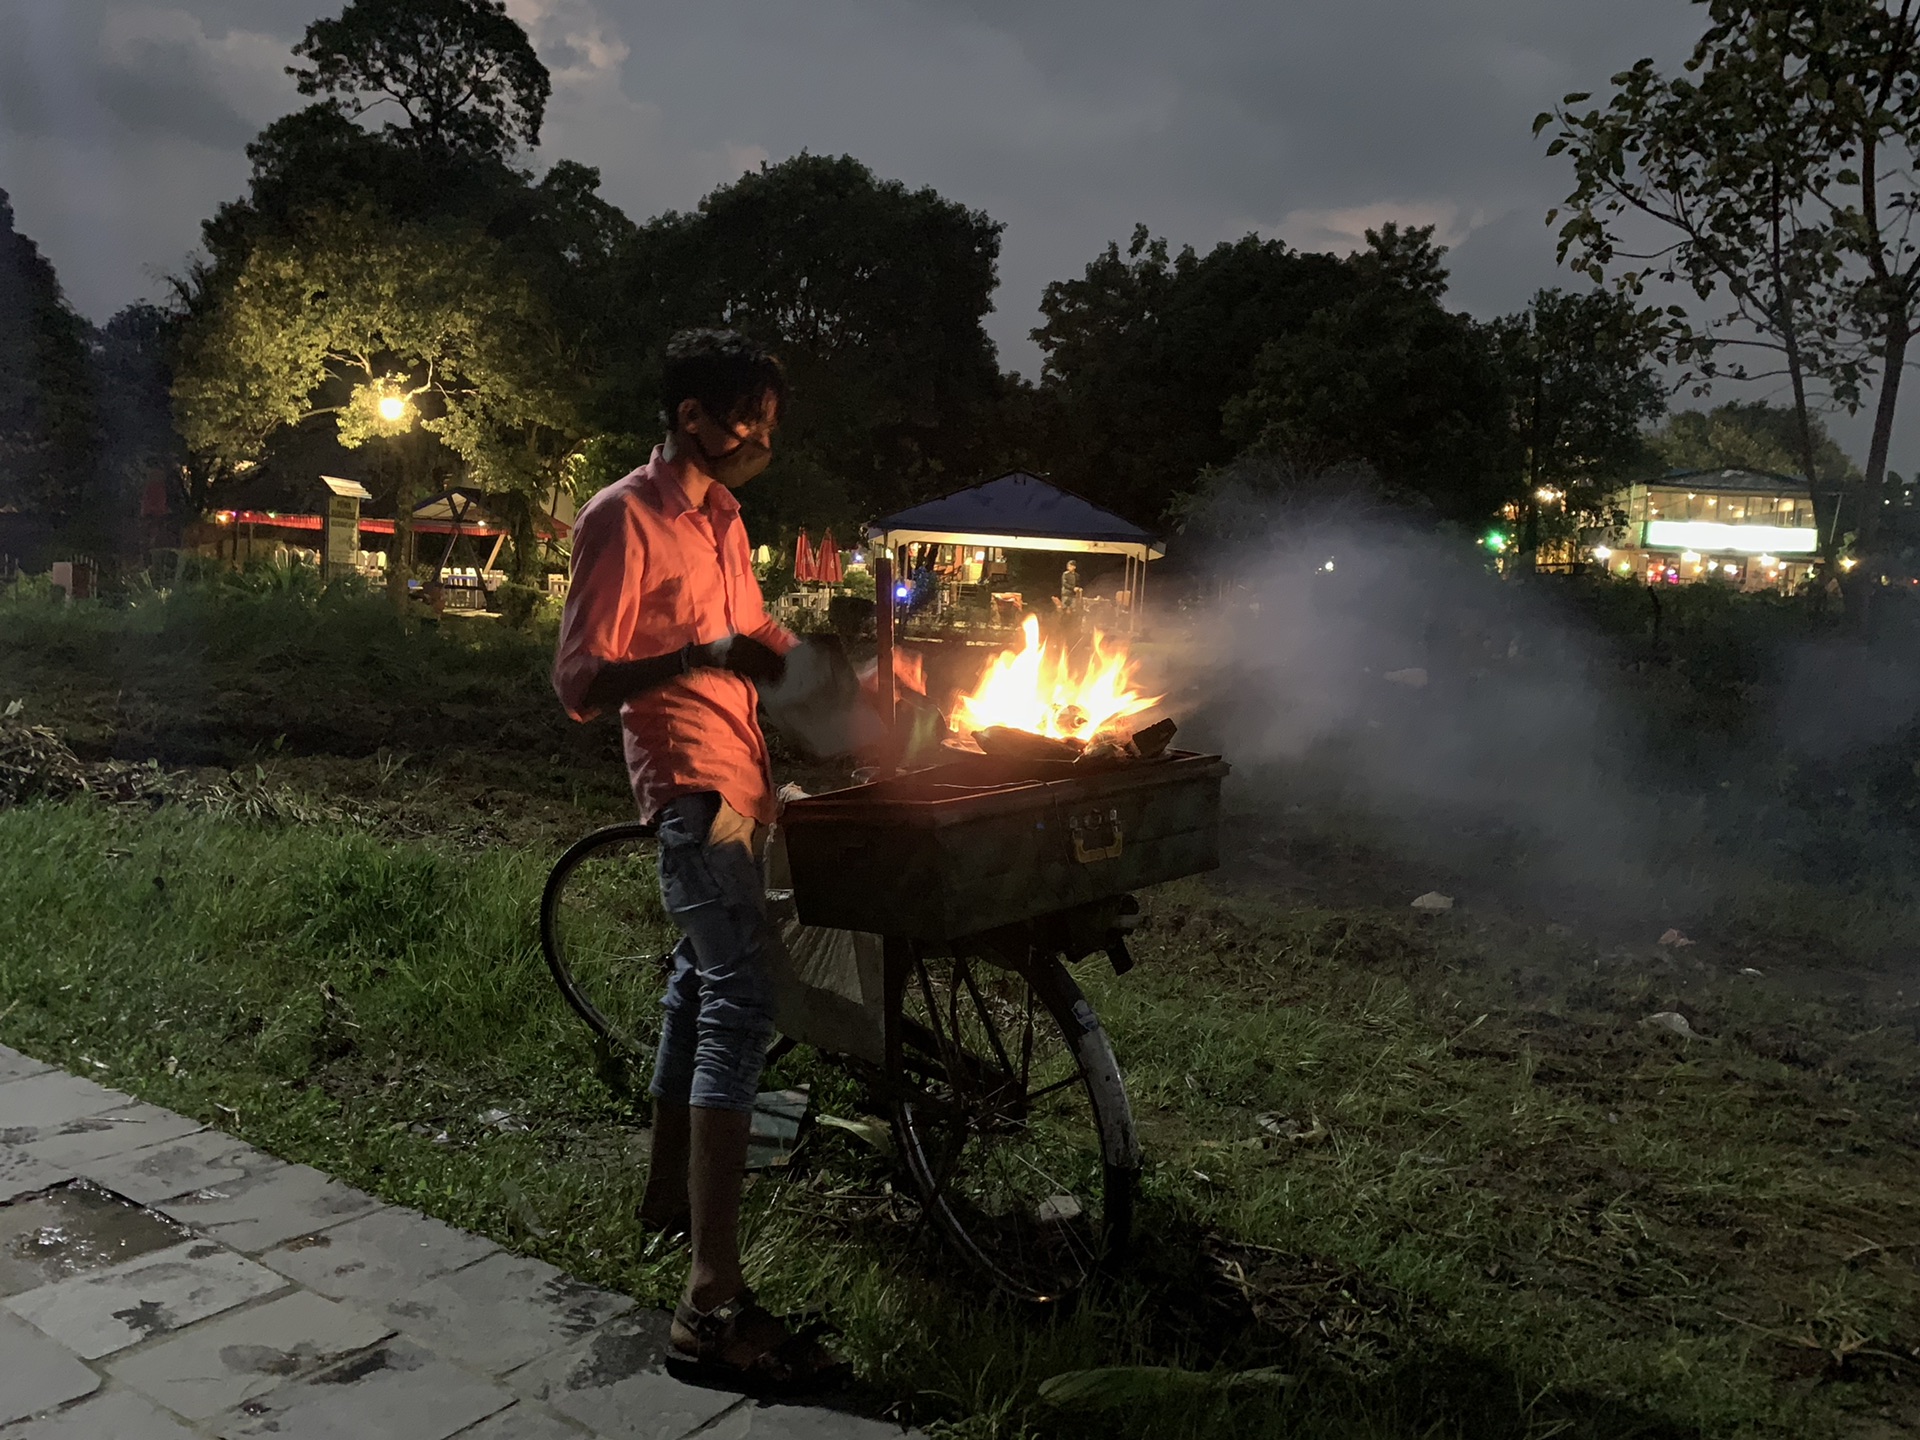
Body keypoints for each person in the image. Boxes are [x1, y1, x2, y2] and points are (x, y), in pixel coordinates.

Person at [551, 329, 846, 1391]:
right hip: (692, 791)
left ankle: (667, 1209)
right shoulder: (620, 517)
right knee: (738, 998)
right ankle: (710, 1309)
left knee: (693, 987)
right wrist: (701, 655)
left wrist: (834, 680)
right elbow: (581, 682)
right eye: (748, 420)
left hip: (745, 777)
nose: (762, 438)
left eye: (770, 419)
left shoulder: (726, 520)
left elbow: (752, 632)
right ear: (690, 417)